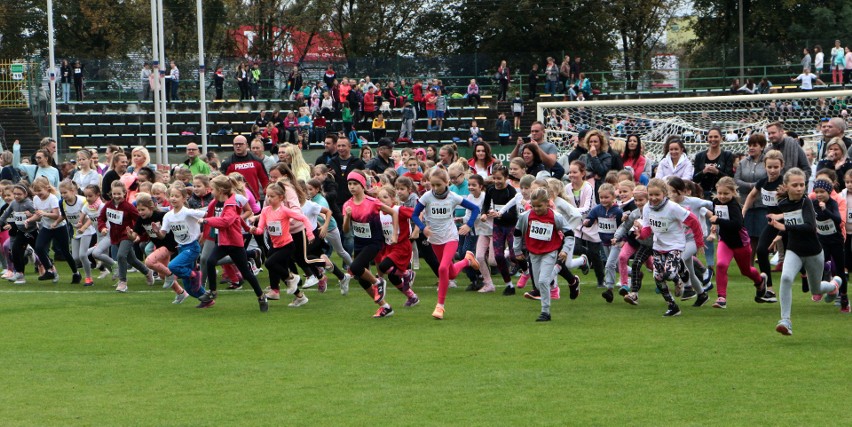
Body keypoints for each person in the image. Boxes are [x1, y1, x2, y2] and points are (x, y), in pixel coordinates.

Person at [771, 168, 840, 335]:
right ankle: (785, 321)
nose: (800, 188)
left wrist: (785, 227)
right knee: (786, 277)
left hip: (813, 252)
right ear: (786, 186)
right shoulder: (782, 204)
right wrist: (775, 235)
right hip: (794, 250)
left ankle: (834, 284)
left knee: (815, 290)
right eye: (795, 185)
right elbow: (777, 222)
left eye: (802, 184)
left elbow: (810, 227)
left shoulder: (807, 202)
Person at [412, 168, 480, 320]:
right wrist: (423, 228)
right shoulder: (427, 197)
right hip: (435, 239)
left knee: (442, 268)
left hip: (450, 237)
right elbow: (415, 215)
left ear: (446, 183)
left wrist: (469, 224)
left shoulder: (453, 197)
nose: (435, 188)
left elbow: (475, 208)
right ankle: (468, 260)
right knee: (451, 273)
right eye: (432, 185)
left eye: (438, 185)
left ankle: (440, 306)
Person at [637, 178, 706, 317]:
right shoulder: (646, 208)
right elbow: (647, 229)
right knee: (658, 277)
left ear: (664, 193)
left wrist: (699, 243)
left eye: (657, 195)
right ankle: (672, 306)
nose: (653, 198)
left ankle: (681, 273)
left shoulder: (673, 207)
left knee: (669, 274)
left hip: (675, 245)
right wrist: (640, 233)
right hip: (658, 246)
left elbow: (694, 222)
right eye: (651, 195)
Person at [198, 175, 268, 311]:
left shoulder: (231, 204)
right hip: (223, 242)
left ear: (221, 190)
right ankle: (212, 292)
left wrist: (207, 221)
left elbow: (226, 221)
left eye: (212, 189)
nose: (210, 192)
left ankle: (261, 296)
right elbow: (230, 218)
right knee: (210, 261)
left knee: (246, 273)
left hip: (234, 243)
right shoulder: (215, 202)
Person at [342, 171, 398, 317]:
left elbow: (393, 212)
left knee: (354, 267)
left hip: (374, 242)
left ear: (362, 185)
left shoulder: (372, 203)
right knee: (361, 279)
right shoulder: (347, 205)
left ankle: (378, 282)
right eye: (350, 184)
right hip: (359, 243)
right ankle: (385, 307)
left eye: (355, 184)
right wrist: (347, 217)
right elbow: (346, 230)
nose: (352, 187)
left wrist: (394, 233)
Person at [705, 177, 768, 308]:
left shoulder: (734, 206)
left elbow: (737, 225)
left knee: (745, 271)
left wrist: (718, 221)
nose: (722, 196)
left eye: (726, 193)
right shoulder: (716, 201)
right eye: (720, 193)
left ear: (733, 193)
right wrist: (714, 227)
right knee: (721, 265)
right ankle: (721, 298)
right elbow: (718, 218)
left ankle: (760, 280)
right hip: (725, 241)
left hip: (740, 243)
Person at [513, 187, 573, 322]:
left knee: (543, 281)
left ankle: (545, 312)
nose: (536, 209)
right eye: (533, 206)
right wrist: (517, 251)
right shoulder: (525, 216)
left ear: (547, 203)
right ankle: (558, 268)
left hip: (550, 252)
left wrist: (565, 250)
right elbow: (517, 234)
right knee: (539, 285)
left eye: (539, 206)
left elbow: (569, 234)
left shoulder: (556, 217)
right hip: (533, 253)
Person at [251, 182, 313, 307]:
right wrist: (253, 230)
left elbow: (304, 218)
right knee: (277, 270)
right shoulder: (265, 211)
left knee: (269, 263)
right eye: (267, 196)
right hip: (275, 246)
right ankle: (298, 297)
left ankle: (291, 277)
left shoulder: (285, 211)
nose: (269, 199)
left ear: (281, 197)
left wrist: (310, 234)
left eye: (272, 196)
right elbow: (260, 230)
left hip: (287, 245)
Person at [98, 181, 154, 292]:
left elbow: (139, 218)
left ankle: (123, 282)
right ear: (111, 194)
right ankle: (147, 272)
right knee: (132, 259)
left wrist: (136, 232)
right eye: (114, 194)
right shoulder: (108, 205)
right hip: (115, 236)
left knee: (120, 256)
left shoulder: (128, 207)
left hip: (127, 236)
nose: (116, 196)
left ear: (124, 193)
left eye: (119, 194)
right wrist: (103, 228)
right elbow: (101, 218)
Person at [735, 134, 768, 255]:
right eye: (750, 145)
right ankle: (749, 265)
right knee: (747, 236)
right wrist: (751, 186)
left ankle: (762, 263)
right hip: (746, 205)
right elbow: (736, 180)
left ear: (762, 146)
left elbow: (767, 180)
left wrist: (755, 186)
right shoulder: (743, 163)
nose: (751, 148)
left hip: (762, 205)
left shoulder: (767, 161)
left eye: (755, 145)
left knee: (761, 236)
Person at [220, 135, 269, 201]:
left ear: (246, 145)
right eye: (236, 144)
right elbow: (221, 183)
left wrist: (268, 196)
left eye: (240, 144)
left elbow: (265, 180)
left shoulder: (256, 161)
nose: (238, 146)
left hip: (254, 200)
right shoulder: (227, 163)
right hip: (235, 200)